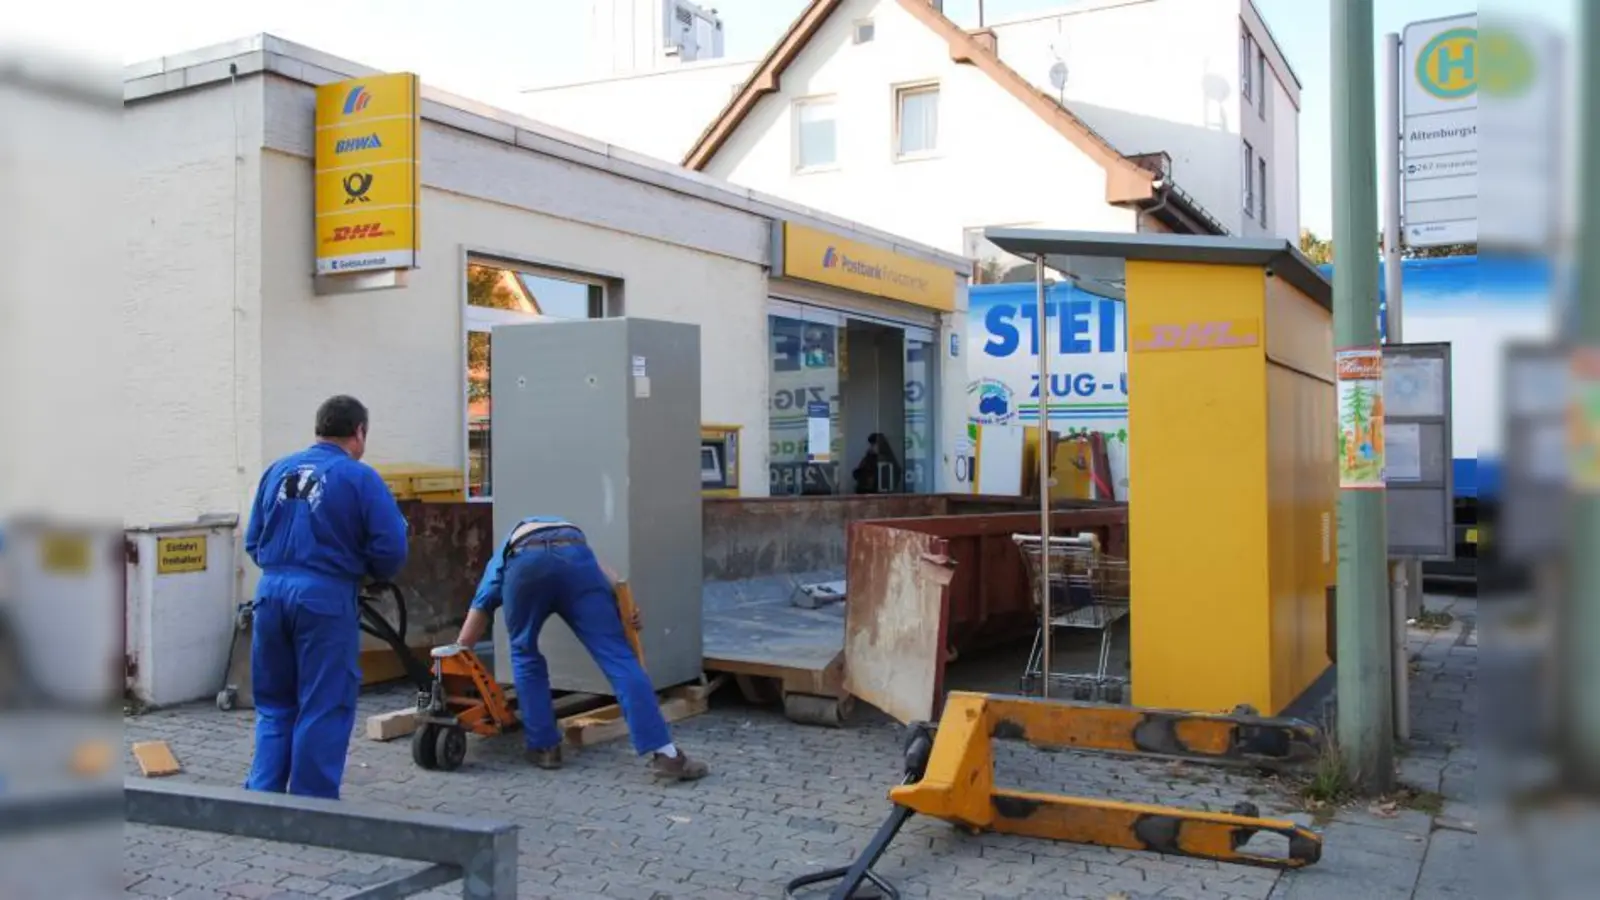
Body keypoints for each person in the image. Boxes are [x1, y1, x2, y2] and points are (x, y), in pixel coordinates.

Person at [454, 517, 709, 781]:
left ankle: (544, 747)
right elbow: (611, 577)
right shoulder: (566, 535)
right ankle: (666, 754)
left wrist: (453, 661)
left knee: (524, 652)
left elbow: (473, 624)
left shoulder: (502, 557)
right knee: (617, 655)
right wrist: (627, 608)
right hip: (576, 555)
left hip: (525, 560)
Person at [243, 395, 409, 799]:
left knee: (275, 703)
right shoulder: (359, 478)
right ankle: (311, 805)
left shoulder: (276, 470)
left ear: (318, 429)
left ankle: (261, 799)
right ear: (359, 432)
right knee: (323, 702)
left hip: (270, 593)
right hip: (324, 597)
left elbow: (253, 540)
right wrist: (371, 574)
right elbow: (391, 547)